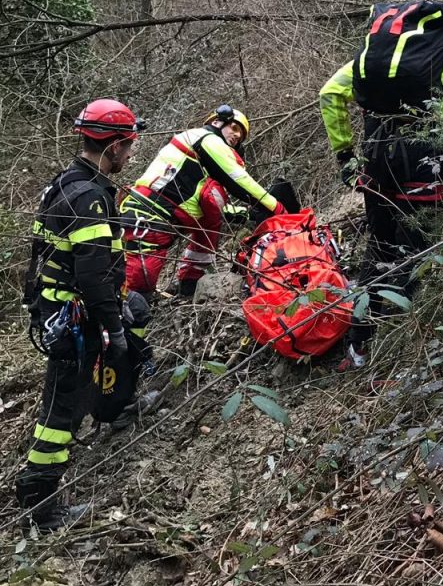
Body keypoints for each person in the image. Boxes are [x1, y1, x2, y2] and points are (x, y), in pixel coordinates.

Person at [319, 0, 443, 369]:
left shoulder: (376, 59)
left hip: (377, 162)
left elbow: (330, 94)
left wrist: (345, 158)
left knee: (380, 249)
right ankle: (406, 356)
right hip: (429, 162)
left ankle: (359, 346)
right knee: (420, 255)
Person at [17, 100, 147, 532]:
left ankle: (118, 404)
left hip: (57, 309)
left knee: (80, 388)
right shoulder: (89, 196)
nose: (130, 154)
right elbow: (92, 277)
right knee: (61, 409)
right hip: (71, 316)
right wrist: (113, 325)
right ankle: (40, 504)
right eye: (127, 146)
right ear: (110, 146)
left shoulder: (68, 182)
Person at [121, 105, 283, 300]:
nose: (236, 136)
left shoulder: (202, 162)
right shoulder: (207, 139)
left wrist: (247, 214)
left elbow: (210, 204)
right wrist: (276, 207)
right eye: (234, 128)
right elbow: (239, 180)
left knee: (210, 225)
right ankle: (124, 320)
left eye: (240, 135)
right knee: (139, 285)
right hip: (149, 215)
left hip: (165, 216)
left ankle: (189, 283)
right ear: (217, 121)